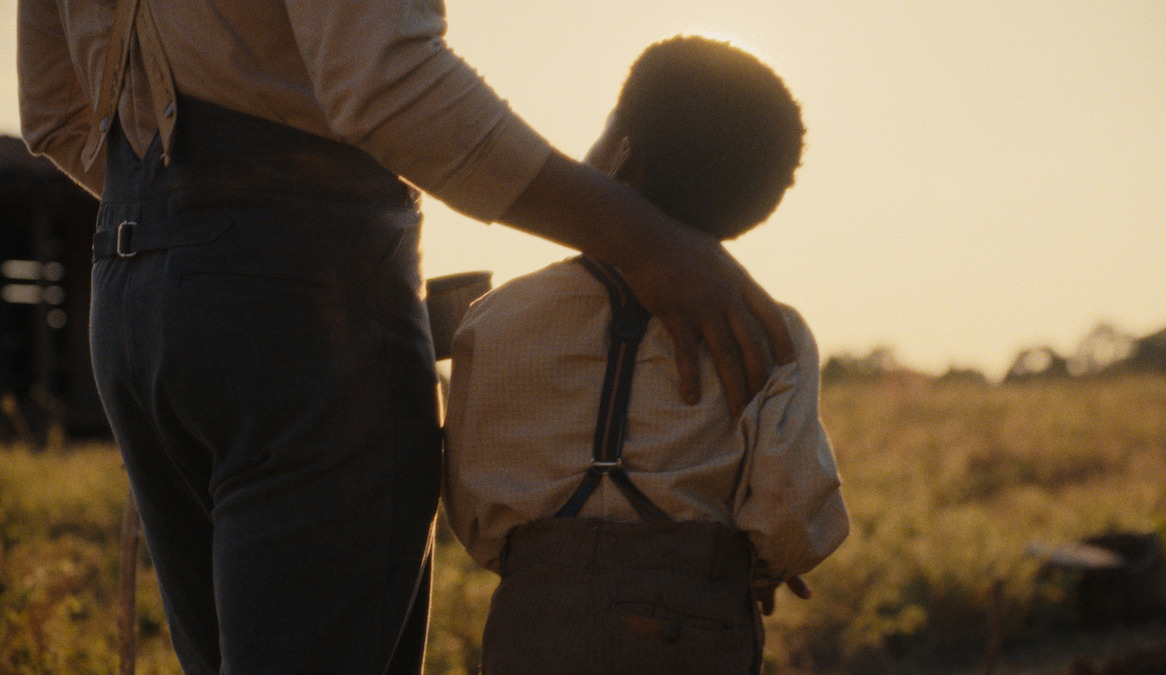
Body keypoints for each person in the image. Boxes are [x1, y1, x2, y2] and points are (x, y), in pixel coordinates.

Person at [18, 2, 795, 674]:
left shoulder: (514, 322)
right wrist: (645, 240)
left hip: (133, 295)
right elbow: (385, 83)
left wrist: (189, 230)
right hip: (309, 292)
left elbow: (52, 111)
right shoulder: (768, 333)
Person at [443, 36, 850, 674]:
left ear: (619, 154)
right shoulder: (768, 331)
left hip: (536, 624)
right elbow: (793, 513)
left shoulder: (500, 318)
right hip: (698, 628)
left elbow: (470, 505)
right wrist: (761, 563)